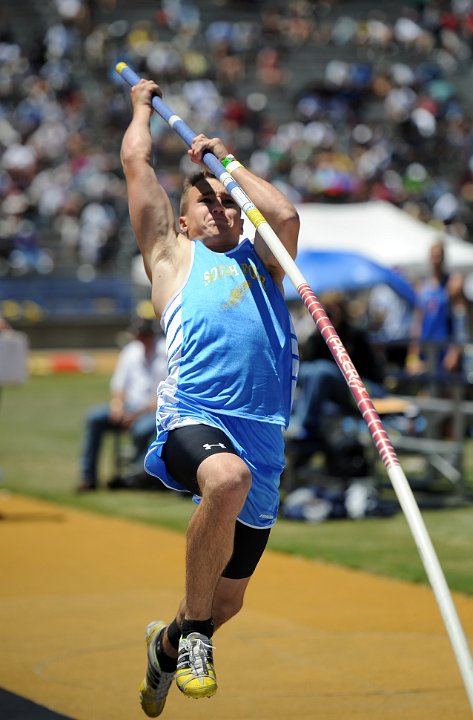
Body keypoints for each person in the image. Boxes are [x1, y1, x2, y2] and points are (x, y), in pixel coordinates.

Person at [120, 77, 299, 716]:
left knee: (227, 601)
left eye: (229, 201)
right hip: (195, 416)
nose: (222, 206)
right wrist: (142, 108)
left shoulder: (268, 261)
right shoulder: (171, 257)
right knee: (225, 480)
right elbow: (136, 162)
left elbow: (284, 216)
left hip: (263, 433)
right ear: (187, 218)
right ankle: (194, 641)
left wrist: (230, 165)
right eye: (209, 201)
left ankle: (169, 642)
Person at [287, 293, 385, 473]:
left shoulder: (355, 335)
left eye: (333, 311)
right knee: (309, 371)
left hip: (358, 389)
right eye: (326, 312)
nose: (329, 316)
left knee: (320, 370)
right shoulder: (317, 337)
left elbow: (372, 372)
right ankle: (299, 424)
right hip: (328, 393)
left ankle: (307, 427)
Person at [77, 317, 167, 492]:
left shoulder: (167, 351)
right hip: (130, 407)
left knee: (144, 428)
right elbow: (118, 386)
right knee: (94, 418)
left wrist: (137, 414)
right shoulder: (130, 351)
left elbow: (168, 392)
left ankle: (136, 474)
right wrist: (117, 407)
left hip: (154, 410)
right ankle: (88, 477)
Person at [405, 239, 460, 375]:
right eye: (434, 256)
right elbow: (417, 321)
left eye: (439, 256)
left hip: (445, 346)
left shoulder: (452, 284)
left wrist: (455, 351)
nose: (436, 260)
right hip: (426, 347)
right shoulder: (423, 286)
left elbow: (460, 321)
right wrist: (413, 354)